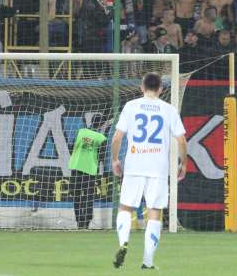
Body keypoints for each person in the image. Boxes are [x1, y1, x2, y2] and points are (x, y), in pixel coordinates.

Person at [110, 72, 187, 270]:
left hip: (135, 164)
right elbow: (181, 139)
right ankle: (147, 261)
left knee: (125, 207)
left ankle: (123, 243)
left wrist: (115, 160)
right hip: (158, 168)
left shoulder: (131, 106)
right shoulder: (168, 109)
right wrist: (183, 163)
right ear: (161, 89)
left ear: (141, 87)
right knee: (155, 212)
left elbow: (117, 138)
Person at [68, 122, 107, 230]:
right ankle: (87, 220)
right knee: (89, 195)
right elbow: (102, 156)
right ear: (101, 125)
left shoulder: (80, 132)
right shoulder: (101, 138)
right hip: (90, 169)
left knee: (76, 195)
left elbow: (71, 146)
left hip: (76, 166)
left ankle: (79, 222)